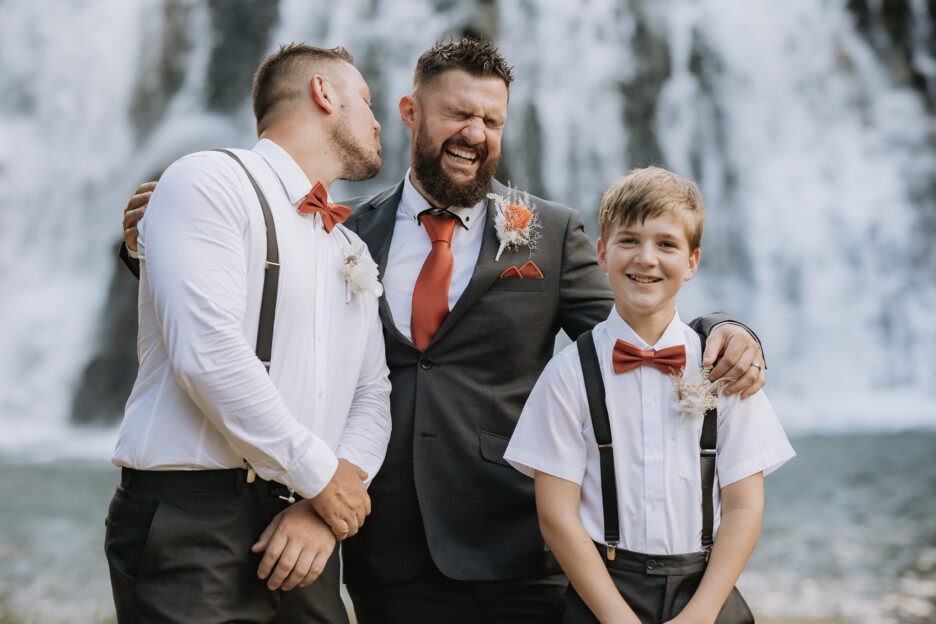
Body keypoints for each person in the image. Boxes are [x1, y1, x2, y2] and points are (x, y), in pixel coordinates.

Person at [119, 38, 767, 623]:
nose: (475, 133)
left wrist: (722, 329)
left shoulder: (551, 232)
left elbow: (635, 327)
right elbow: (263, 318)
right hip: (388, 555)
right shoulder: (343, 233)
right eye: (459, 114)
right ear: (411, 112)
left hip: (521, 551)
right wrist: (153, 246)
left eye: (492, 121)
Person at [105, 44, 392, 623]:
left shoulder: (350, 246)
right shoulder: (207, 180)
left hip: (307, 529)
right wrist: (320, 476)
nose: (378, 120)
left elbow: (373, 393)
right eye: (365, 99)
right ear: (323, 92)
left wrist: (326, 501)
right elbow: (206, 353)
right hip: (194, 523)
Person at [505, 167, 795, 623]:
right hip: (602, 594)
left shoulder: (725, 367)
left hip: (707, 593)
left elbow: (744, 507)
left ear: (692, 262)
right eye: (629, 241)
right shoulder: (568, 373)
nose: (646, 258)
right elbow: (556, 515)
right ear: (601, 254)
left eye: (666, 244)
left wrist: (699, 615)